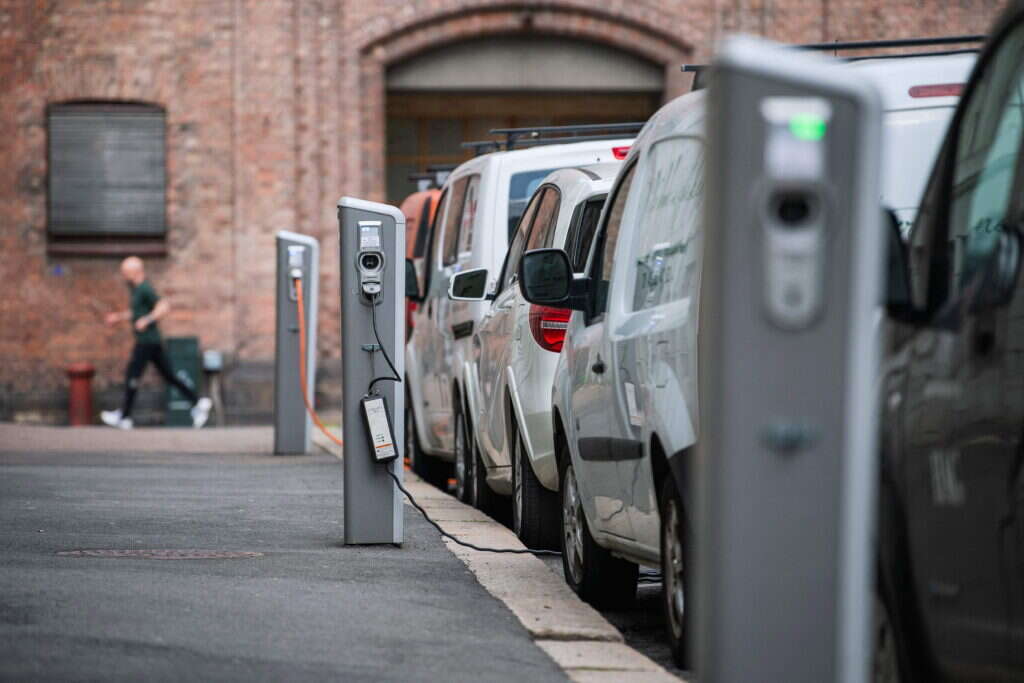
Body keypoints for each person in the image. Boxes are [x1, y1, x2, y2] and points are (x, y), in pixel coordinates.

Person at [100, 257, 212, 430]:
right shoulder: (136, 290)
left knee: (133, 375)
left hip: (147, 341)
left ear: (134, 271)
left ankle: (125, 417)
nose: (123, 275)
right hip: (150, 342)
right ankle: (197, 402)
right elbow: (137, 312)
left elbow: (163, 306)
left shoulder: (144, 288)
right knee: (168, 376)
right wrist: (119, 317)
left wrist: (147, 320)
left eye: (125, 271)